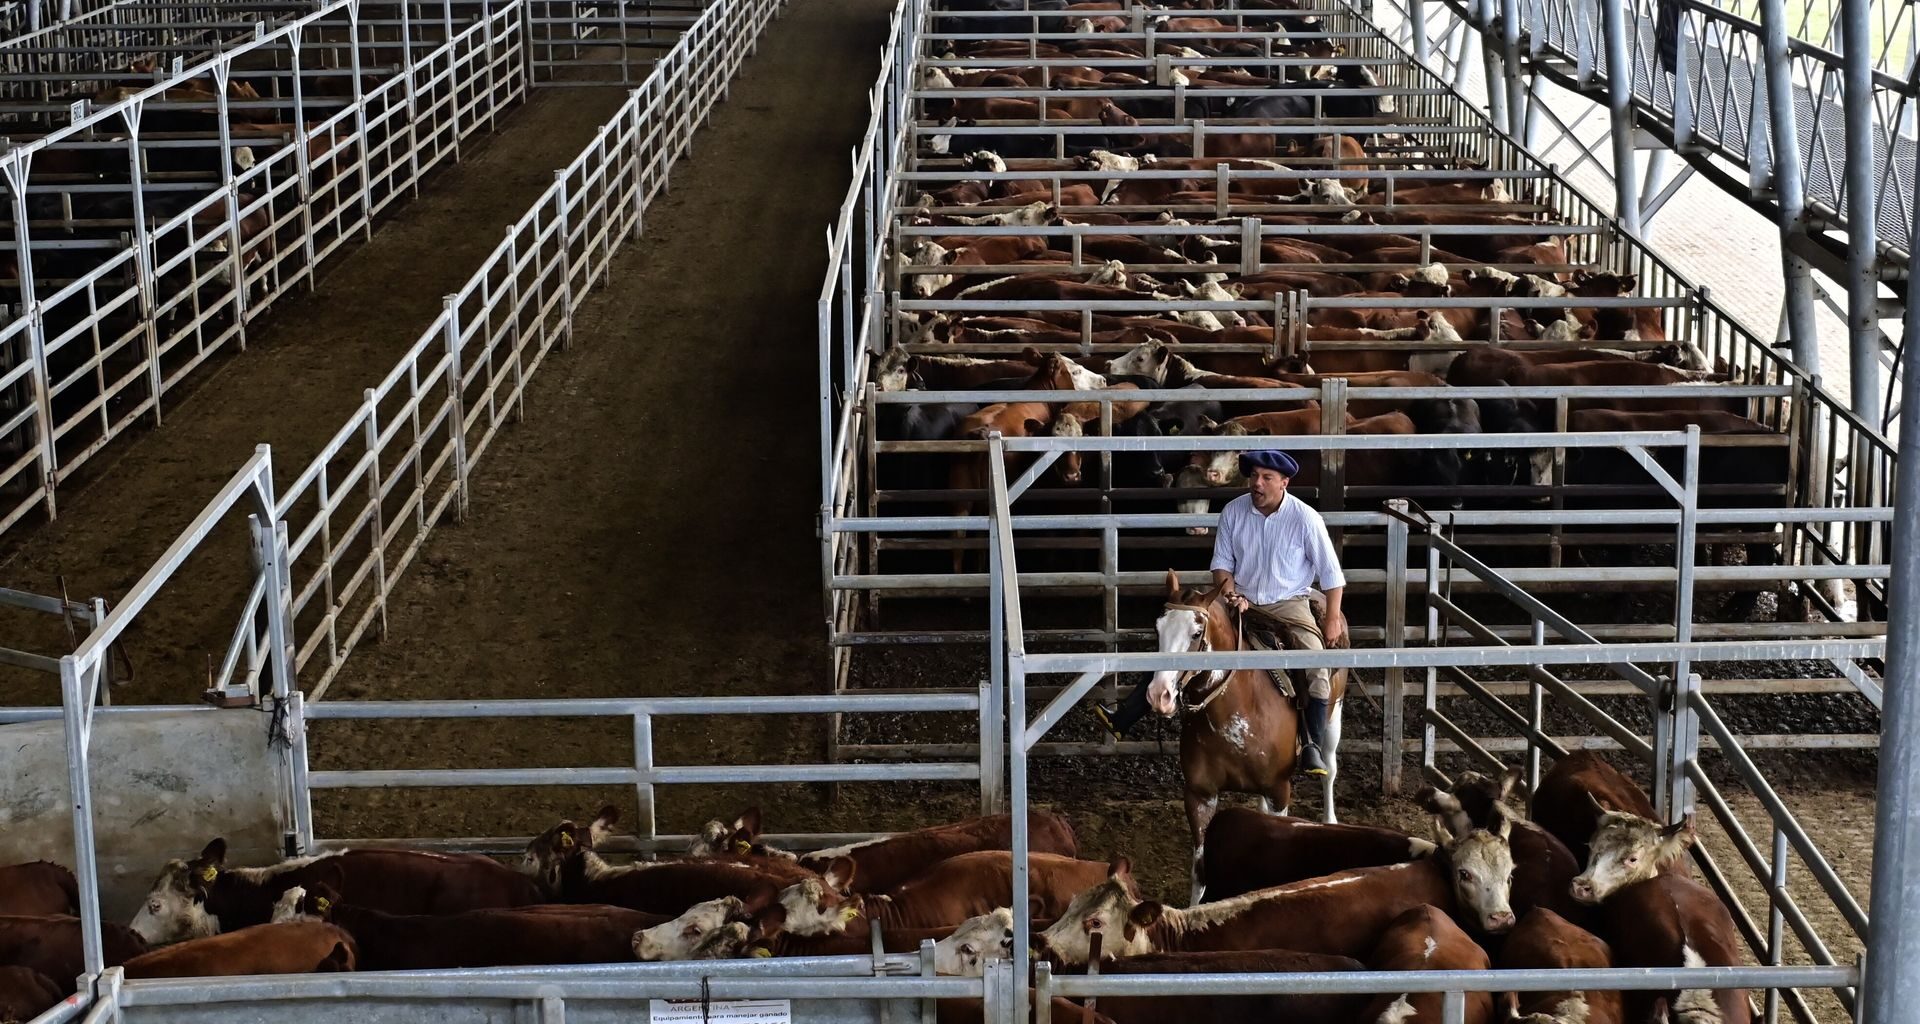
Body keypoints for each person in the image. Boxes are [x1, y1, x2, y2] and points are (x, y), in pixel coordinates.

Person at [1094, 449, 1347, 776]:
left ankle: (1312, 744)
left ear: (1284, 482)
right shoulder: (1233, 511)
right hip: (1239, 598)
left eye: (1266, 478)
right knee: (1185, 631)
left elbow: (1331, 575)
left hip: (1288, 604)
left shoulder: (1306, 518)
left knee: (1315, 664)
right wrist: (1230, 594)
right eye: (1253, 476)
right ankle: (1126, 715)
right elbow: (1222, 565)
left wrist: (1332, 619)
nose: (1257, 483)